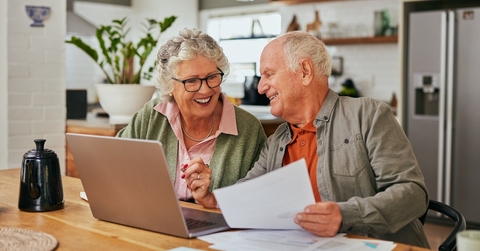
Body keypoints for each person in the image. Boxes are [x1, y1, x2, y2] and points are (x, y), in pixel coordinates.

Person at [240, 31, 430, 247]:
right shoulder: (277, 140)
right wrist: (212, 198)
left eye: (269, 74)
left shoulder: (368, 115)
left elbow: (413, 195)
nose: (260, 87)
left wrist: (344, 215)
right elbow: (245, 192)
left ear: (304, 71)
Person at [116, 28, 267, 206]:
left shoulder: (248, 128)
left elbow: (261, 198)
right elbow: (114, 165)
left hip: (219, 231)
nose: (205, 90)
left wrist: (214, 200)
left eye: (212, 77)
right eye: (191, 81)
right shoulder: (152, 115)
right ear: (169, 85)